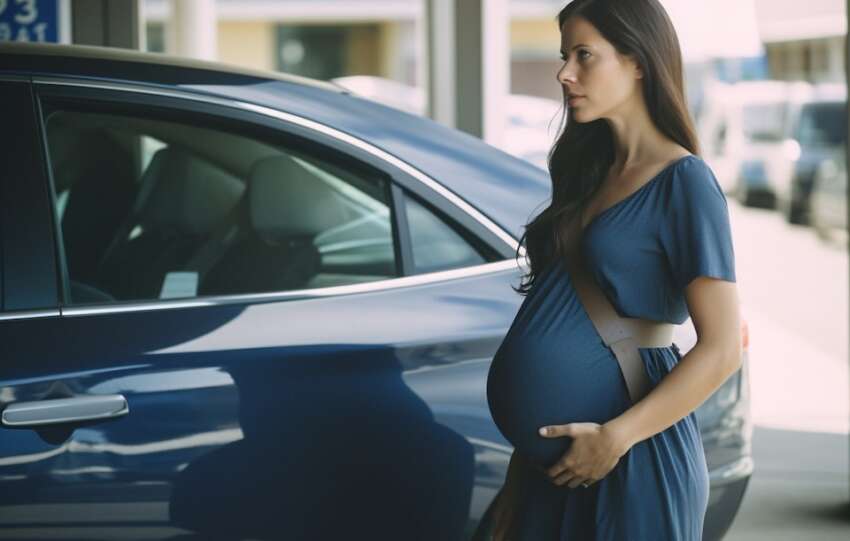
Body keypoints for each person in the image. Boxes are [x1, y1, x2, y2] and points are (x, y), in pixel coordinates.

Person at [485, 0, 742, 539]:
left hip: (630, 461)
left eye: (584, 55)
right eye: (563, 56)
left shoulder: (685, 182)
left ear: (638, 62)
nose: (563, 73)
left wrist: (615, 439)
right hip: (549, 472)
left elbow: (722, 349)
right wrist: (517, 482)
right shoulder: (588, 173)